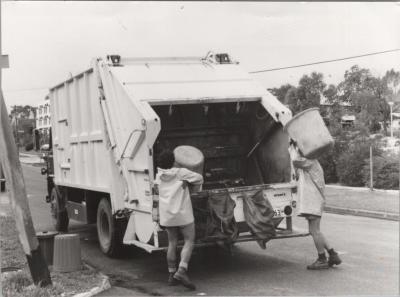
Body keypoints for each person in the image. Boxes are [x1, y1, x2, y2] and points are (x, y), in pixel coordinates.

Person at [288, 141, 342, 270]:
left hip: (313, 200)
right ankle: (333, 254)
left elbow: (295, 159)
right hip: (313, 200)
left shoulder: (310, 162)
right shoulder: (310, 162)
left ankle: (322, 259)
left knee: (314, 231)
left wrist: (292, 147)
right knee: (315, 230)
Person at [156, 149, 203, 290]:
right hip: (183, 214)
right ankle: (182, 271)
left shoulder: (157, 177)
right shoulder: (181, 173)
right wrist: (188, 184)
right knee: (189, 240)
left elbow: (156, 194)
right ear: (173, 161)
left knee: (172, 242)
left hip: (168, 215)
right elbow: (199, 178)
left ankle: (171, 274)